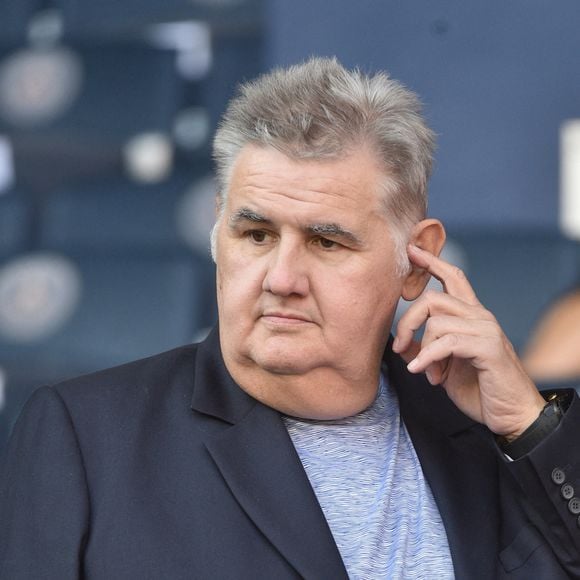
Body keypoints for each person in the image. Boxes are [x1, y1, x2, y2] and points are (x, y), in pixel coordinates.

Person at [1, 58, 579, 579]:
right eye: (255, 235)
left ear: (414, 261)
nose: (281, 278)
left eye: (327, 243)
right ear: (216, 237)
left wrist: (532, 428)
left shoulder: (494, 441)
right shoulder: (85, 435)